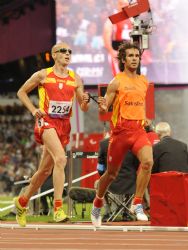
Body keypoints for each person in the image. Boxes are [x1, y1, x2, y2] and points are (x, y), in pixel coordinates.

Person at [14, 42, 90, 227]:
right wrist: (33, 110)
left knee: (44, 171)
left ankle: (22, 202)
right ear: (54, 55)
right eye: (63, 51)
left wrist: (86, 100)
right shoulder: (43, 75)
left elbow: (83, 106)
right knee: (61, 159)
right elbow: (21, 92)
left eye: (69, 51)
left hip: (64, 124)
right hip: (46, 121)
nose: (67, 54)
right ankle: (58, 208)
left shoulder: (76, 78)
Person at [91, 41, 153, 227]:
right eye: (131, 56)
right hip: (120, 134)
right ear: (123, 60)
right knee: (111, 174)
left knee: (148, 162)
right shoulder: (116, 81)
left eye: (136, 56)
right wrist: (102, 104)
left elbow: (139, 105)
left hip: (138, 131)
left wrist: (144, 118)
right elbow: (106, 106)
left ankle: (137, 203)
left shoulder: (144, 81)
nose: (134, 59)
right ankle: (97, 202)